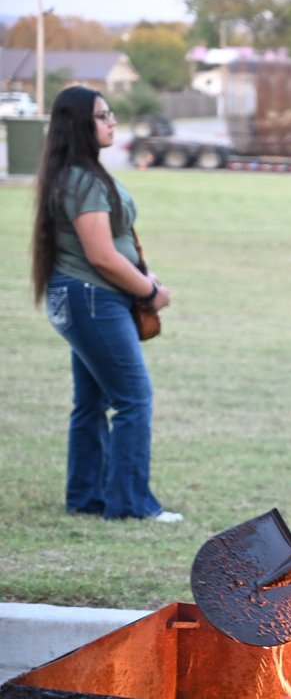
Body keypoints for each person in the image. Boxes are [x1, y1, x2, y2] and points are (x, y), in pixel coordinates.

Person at [31, 86, 179, 523]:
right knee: (134, 399)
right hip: (93, 299)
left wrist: (139, 277)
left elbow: (107, 249)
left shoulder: (74, 174)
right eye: (102, 115)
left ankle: (86, 496)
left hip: (82, 297)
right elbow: (100, 255)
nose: (112, 121)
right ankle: (131, 505)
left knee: (91, 401)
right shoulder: (83, 179)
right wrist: (150, 292)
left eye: (110, 113)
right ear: (80, 125)